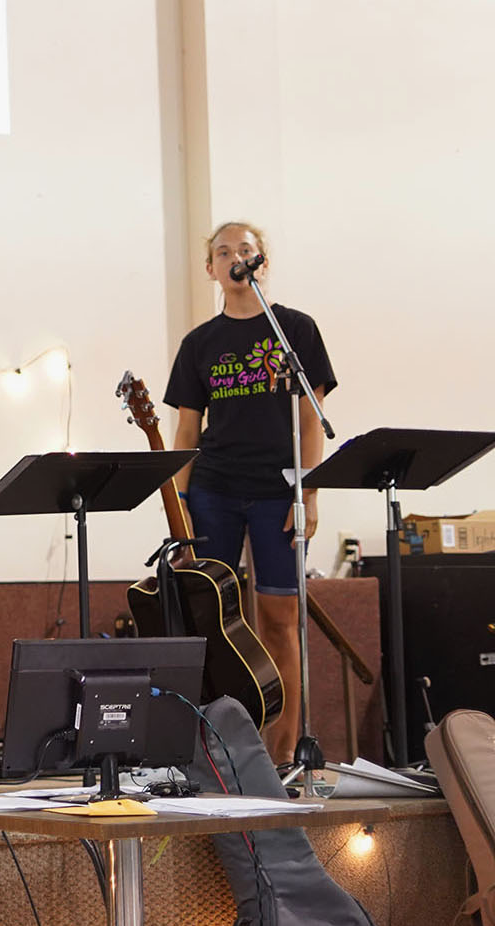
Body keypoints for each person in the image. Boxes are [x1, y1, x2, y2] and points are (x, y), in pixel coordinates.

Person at [166, 221, 335, 764]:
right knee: (211, 617)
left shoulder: (296, 331)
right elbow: (186, 433)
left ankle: (280, 751)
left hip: (277, 492)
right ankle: (216, 748)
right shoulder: (200, 344)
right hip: (214, 487)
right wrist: (182, 506)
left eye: (246, 249)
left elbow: (312, 420)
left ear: (262, 261)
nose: (235, 257)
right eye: (222, 251)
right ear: (210, 269)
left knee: (280, 618)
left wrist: (308, 494)